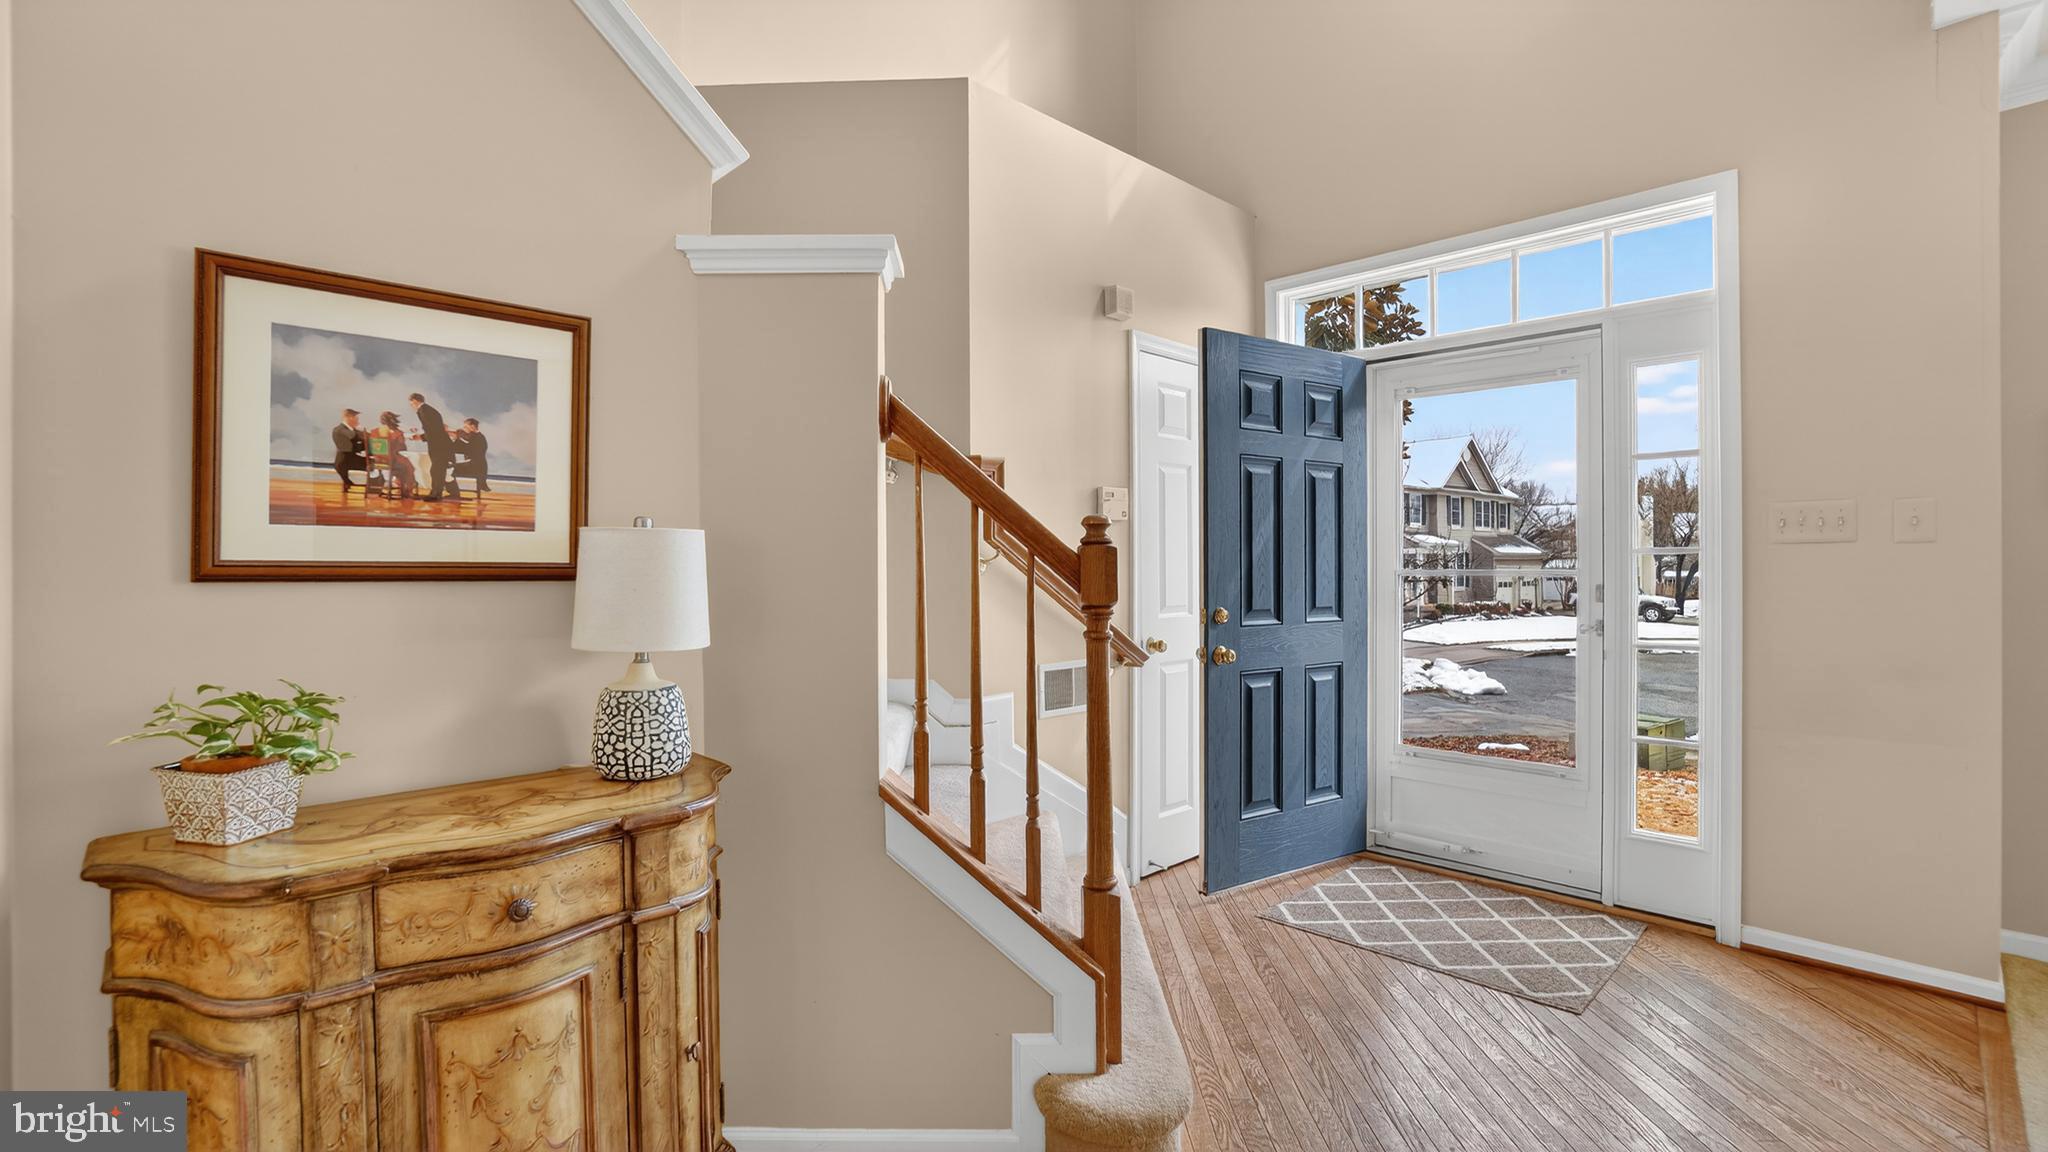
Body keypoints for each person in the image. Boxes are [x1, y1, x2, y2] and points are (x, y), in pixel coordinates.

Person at [407, 392, 456, 501]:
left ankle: (436, 495)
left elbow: (432, 429)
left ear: (415, 401)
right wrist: (421, 436)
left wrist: (420, 437)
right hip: (440, 444)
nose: (411, 406)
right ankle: (436, 493)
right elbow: (433, 428)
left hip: (439, 445)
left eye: (411, 404)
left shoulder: (423, 411)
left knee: (437, 470)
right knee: (437, 470)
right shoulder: (427, 410)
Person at [366, 411, 416, 498]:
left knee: (403, 465)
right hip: (392, 461)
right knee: (408, 467)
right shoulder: (398, 433)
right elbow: (402, 448)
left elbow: (372, 448)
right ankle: (407, 489)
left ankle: (398, 485)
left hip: (377, 461)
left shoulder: (374, 431)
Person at [452, 418, 491, 494]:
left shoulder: (478, 438)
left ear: (472, 427)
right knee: (448, 467)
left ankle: (454, 492)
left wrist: (457, 438)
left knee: (446, 468)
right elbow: (464, 447)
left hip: (475, 467)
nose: (464, 429)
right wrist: (456, 439)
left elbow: (466, 449)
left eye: (465, 427)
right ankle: (454, 491)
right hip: (475, 465)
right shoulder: (475, 437)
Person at [330, 409, 365, 491]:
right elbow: (353, 436)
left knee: (373, 465)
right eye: (356, 418)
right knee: (373, 465)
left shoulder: (350, 430)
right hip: (344, 461)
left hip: (350, 458)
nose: (357, 420)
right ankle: (374, 487)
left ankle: (373, 486)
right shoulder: (340, 429)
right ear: (349, 418)